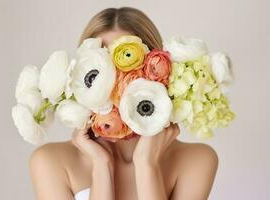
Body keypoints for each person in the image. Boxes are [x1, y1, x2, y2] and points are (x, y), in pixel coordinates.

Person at [30, 7, 218, 200]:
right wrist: (101, 166)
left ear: (157, 70)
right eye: (98, 69)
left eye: (126, 64)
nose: (111, 82)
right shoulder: (51, 162)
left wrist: (146, 163)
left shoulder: (197, 160)